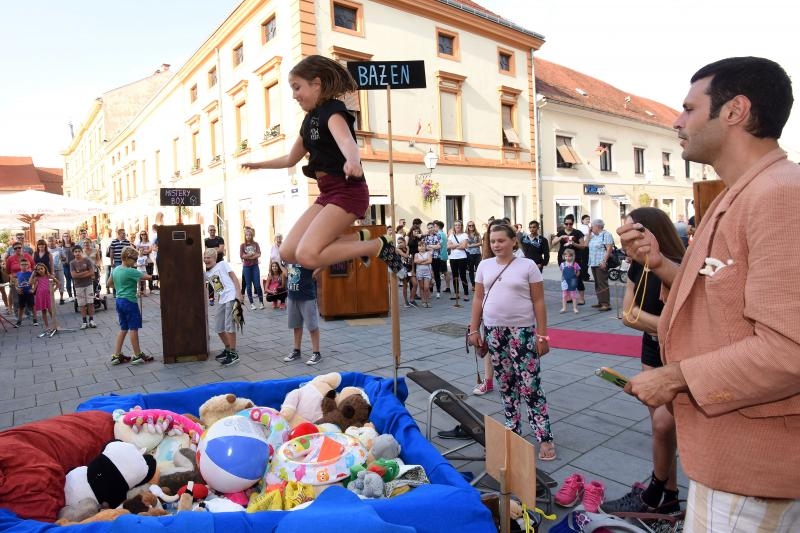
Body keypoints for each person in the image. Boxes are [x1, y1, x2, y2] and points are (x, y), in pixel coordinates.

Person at [619, 57, 800, 528]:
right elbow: (724, 295)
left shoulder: (779, 194)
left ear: (735, 110)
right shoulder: (739, 191)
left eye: (688, 108)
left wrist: (675, 377)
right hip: (725, 458)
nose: (677, 122)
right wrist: (658, 263)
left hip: (755, 467)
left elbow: (790, 351)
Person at [241, 55, 403, 273]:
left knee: (308, 255)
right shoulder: (309, 120)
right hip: (327, 193)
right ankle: (360, 238)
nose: (293, 95)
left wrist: (353, 160)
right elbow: (291, 159)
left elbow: (347, 141)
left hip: (348, 191)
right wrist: (258, 164)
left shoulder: (332, 111)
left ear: (316, 85)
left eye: (297, 88)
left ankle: (376, 245)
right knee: (288, 252)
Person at [601, 207, 685, 517]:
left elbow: (639, 315)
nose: (627, 244)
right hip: (652, 348)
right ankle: (670, 495)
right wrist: (658, 323)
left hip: (677, 351)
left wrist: (647, 321)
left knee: (664, 424)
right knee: (659, 426)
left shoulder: (678, 265)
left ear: (651, 231)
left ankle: (654, 492)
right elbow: (627, 314)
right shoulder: (638, 266)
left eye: (632, 233)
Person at [468, 223, 554, 460]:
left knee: (530, 385)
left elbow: (539, 302)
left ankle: (544, 437)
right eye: (492, 241)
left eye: (501, 241)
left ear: (513, 241)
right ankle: (512, 430)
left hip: (523, 332)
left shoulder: (528, 266)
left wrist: (543, 335)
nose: (496, 245)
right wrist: (474, 329)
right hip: (494, 332)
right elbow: (478, 298)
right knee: (506, 384)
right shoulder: (484, 266)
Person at [106, 246, 154, 365]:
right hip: (130, 302)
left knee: (123, 328)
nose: (136, 262)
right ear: (127, 258)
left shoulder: (116, 269)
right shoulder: (131, 271)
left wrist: (121, 288)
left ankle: (116, 355)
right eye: (135, 259)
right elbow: (148, 277)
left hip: (119, 301)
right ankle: (137, 355)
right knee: (133, 329)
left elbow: (108, 283)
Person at [203, 248, 243, 367]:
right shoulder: (207, 273)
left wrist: (238, 293)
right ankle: (227, 348)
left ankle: (233, 354)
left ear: (214, 258)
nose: (206, 260)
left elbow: (234, 278)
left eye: (208, 258)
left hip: (231, 296)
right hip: (222, 299)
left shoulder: (223, 264)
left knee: (229, 326)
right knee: (218, 327)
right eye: (205, 258)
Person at [282, 264, 322, 365]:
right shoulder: (290, 255)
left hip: (307, 296)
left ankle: (316, 353)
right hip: (292, 295)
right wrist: (279, 263)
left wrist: (314, 274)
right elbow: (286, 271)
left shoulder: (306, 252)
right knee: (296, 325)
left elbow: (323, 263)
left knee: (312, 325)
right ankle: (296, 350)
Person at [550, 215, 586, 304]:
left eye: (570, 224)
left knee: (577, 278)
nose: (568, 226)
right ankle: (569, 297)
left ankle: (581, 298)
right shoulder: (561, 233)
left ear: (573, 223)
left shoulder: (578, 233)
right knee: (567, 277)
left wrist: (573, 243)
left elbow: (583, 246)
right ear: (564, 224)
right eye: (566, 224)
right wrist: (561, 238)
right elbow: (553, 243)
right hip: (563, 258)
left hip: (575, 258)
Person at [587, 219, 614, 311]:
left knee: (602, 283)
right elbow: (585, 244)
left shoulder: (606, 235)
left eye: (592, 226)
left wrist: (604, 261)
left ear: (597, 226)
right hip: (594, 262)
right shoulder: (594, 236)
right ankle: (600, 302)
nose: (591, 228)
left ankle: (606, 304)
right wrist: (588, 233)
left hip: (601, 262)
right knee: (597, 283)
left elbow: (609, 249)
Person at [70, 246, 97, 330]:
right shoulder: (72, 263)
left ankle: (91, 320)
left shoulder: (87, 260)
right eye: (75, 252)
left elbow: (92, 272)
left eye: (79, 251)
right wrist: (86, 272)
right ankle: (84, 321)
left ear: (82, 252)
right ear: (73, 253)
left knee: (90, 302)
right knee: (81, 304)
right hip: (78, 286)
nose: (77, 253)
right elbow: (73, 275)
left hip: (88, 284)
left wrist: (80, 274)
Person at [240, 227, 265, 311]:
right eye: (247, 235)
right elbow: (242, 256)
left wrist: (248, 257)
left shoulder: (256, 244)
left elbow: (259, 254)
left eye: (250, 235)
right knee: (248, 285)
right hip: (246, 267)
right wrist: (251, 255)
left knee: (257, 284)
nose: (248, 236)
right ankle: (252, 303)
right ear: (245, 236)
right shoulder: (242, 245)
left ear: (252, 235)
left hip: (255, 266)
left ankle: (261, 302)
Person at [31, 262, 59, 335]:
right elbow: (30, 283)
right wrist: (33, 274)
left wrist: (53, 290)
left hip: (48, 295)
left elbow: (58, 283)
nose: (40, 270)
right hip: (40, 295)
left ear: (45, 268)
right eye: (38, 269)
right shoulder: (37, 278)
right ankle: (47, 326)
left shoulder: (49, 276)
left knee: (50, 310)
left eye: (41, 269)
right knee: (43, 311)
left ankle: (54, 325)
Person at [446, 220, 470, 301]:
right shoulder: (451, 236)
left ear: (461, 226)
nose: (457, 226)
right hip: (453, 258)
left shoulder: (464, 235)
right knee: (455, 276)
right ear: (454, 226)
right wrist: (458, 245)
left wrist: (453, 246)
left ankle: (466, 294)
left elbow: (464, 246)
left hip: (462, 257)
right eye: (456, 225)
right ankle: (456, 294)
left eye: (459, 225)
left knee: (463, 276)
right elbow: (448, 246)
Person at [106, 229, 131, 296]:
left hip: (125, 262)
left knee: (124, 277)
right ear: (119, 234)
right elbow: (111, 252)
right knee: (115, 277)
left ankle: (124, 291)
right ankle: (115, 293)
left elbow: (129, 251)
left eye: (124, 234)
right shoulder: (114, 241)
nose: (124, 235)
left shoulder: (127, 242)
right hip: (116, 262)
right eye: (123, 233)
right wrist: (111, 262)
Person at [205, 225, 225, 305]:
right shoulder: (205, 240)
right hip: (210, 264)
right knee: (211, 280)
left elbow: (221, 250)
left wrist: (211, 250)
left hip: (219, 262)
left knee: (220, 279)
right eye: (211, 230)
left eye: (213, 230)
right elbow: (206, 251)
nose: (212, 231)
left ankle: (222, 296)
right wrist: (215, 249)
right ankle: (211, 298)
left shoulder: (220, 239)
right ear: (208, 231)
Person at [13, 258, 36, 327]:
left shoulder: (31, 273)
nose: (24, 266)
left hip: (29, 293)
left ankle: (35, 320)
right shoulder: (18, 274)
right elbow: (16, 284)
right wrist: (17, 289)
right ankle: (19, 321)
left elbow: (36, 282)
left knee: (32, 306)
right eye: (22, 265)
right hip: (21, 293)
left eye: (26, 264)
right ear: (19, 266)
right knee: (21, 307)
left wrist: (33, 289)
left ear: (28, 265)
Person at [422, 222, 443, 298]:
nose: (430, 229)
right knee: (429, 275)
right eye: (429, 228)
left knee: (437, 274)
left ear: (434, 227)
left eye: (431, 227)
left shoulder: (438, 235)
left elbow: (439, 246)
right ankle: (430, 291)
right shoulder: (425, 237)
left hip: (436, 257)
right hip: (428, 257)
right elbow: (424, 247)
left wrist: (430, 246)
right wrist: (433, 246)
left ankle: (438, 291)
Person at [559, 248, 580, 314]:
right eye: (566, 256)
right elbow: (562, 271)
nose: (568, 258)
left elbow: (578, 271)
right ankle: (564, 308)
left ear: (573, 256)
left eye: (569, 256)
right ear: (564, 256)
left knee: (573, 295)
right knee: (564, 295)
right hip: (564, 281)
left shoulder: (575, 264)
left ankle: (575, 308)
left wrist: (576, 276)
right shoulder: (562, 264)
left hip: (572, 281)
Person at [396, 236, 415, 308]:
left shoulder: (407, 248)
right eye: (398, 243)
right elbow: (406, 256)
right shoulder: (398, 249)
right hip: (402, 270)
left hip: (409, 269)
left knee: (415, 283)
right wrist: (408, 249)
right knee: (405, 286)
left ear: (404, 242)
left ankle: (412, 299)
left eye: (401, 242)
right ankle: (406, 301)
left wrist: (413, 269)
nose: (399, 244)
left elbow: (411, 259)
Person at [413, 240, 433, 308]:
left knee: (426, 287)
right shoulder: (416, 254)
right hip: (419, 272)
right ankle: (423, 301)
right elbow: (415, 261)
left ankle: (427, 301)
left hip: (427, 273)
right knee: (421, 287)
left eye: (423, 246)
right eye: (420, 246)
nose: (421, 247)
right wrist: (425, 260)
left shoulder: (428, 253)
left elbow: (430, 261)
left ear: (425, 247)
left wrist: (420, 262)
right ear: (418, 247)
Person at [48, 236, 66, 304]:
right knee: (51, 284)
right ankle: (51, 298)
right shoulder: (47, 250)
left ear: (55, 241)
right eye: (49, 241)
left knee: (61, 283)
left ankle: (61, 298)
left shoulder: (59, 249)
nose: (51, 242)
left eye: (52, 241)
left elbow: (64, 258)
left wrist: (63, 259)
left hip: (59, 269)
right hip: (50, 270)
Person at [465, 221, 482, 287]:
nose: (471, 226)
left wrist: (471, 245)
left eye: (472, 225)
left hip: (477, 254)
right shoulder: (465, 234)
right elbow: (466, 244)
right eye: (469, 225)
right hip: (469, 254)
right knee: (471, 270)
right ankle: (473, 285)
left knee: (478, 269)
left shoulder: (477, 234)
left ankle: (479, 284)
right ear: (467, 226)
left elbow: (480, 243)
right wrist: (475, 244)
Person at [61, 232, 76, 301]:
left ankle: (76, 295)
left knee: (75, 280)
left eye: (67, 236)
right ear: (63, 238)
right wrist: (63, 261)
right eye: (65, 236)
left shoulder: (73, 245)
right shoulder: (61, 247)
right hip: (66, 265)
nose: (66, 237)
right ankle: (70, 296)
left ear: (70, 237)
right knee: (68, 280)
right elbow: (60, 257)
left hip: (74, 265)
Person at [577, 214, 592, 281]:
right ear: (582, 220)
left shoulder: (588, 226)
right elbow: (587, 235)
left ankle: (585, 275)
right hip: (584, 246)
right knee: (584, 262)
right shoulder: (582, 227)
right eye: (586, 219)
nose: (588, 220)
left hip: (588, 246)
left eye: (589, 219)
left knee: (586, 262)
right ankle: (584, 276)